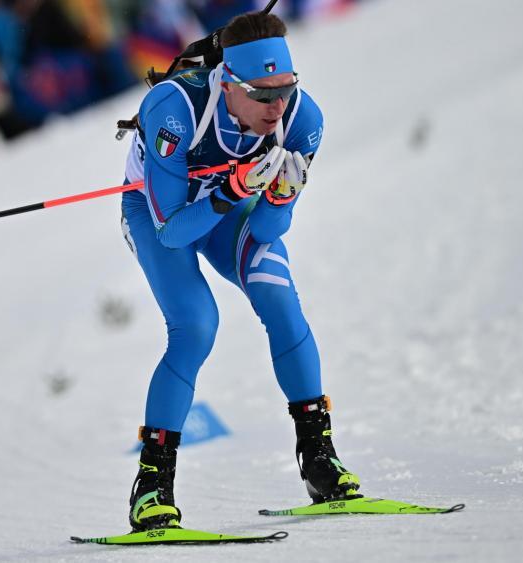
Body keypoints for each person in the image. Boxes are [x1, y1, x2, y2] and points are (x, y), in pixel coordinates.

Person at [120, 11, 361, 532]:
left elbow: (271, 228)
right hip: (161, 213)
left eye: (286, 89)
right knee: (196, 326)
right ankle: (152, 488)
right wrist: (231, 190)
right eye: (263, 94)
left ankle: (319, 459)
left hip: (230, 209)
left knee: (278, 294)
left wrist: (281, 195)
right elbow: (172, 231)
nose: (277, 107)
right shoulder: (173, 109)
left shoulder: (303, 118)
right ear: (229, 84)